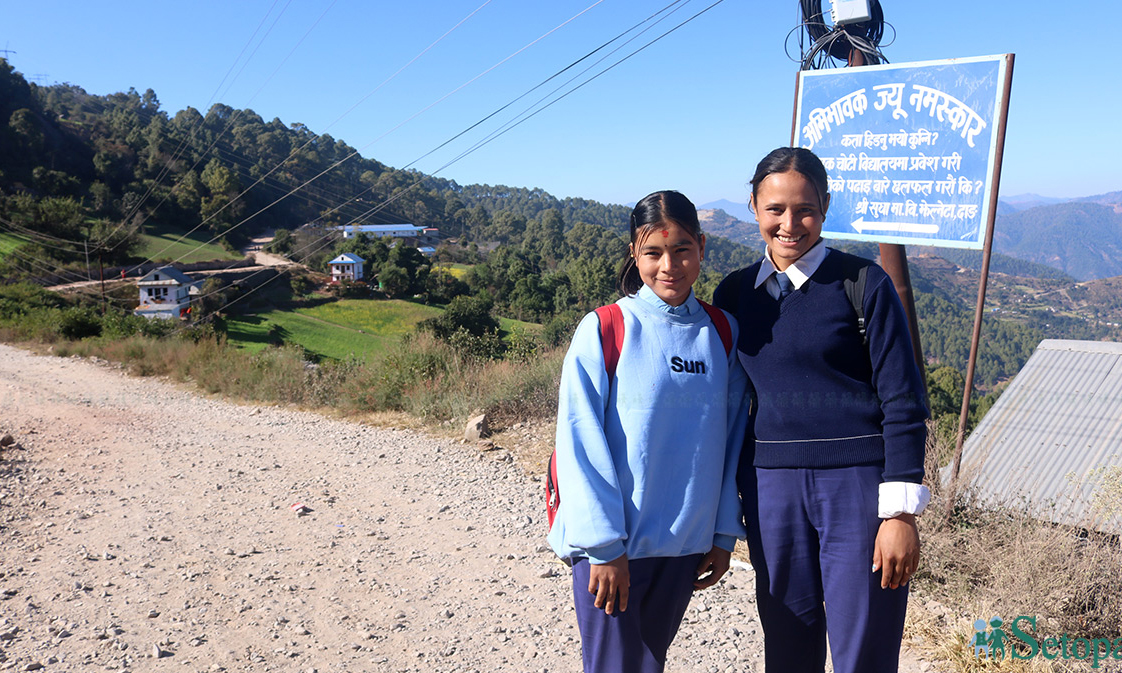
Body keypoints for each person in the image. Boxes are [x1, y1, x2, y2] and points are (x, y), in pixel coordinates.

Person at [713, 147, 930, 673]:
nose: (791, 225)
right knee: (787, 642)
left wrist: (899, 514)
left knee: (866, 646)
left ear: (826, 206)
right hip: (770, 490)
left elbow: (903, 400)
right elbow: (724, 406)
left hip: (856, 486)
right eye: (776, 210)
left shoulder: (862, 284)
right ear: (754, 206)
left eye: (805, 209)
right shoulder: (736, 293)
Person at [548, 190, 748, 673]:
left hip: (684, 546)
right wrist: (603, 547)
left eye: (682, 249)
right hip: (617, 548)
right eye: (653, 252)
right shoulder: (606, 328)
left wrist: (722, 532)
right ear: (634, 255)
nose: (669, 266)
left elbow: (730, 440)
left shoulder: (723, 333)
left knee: (648, 663)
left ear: (701, 246)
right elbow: (578, 441)